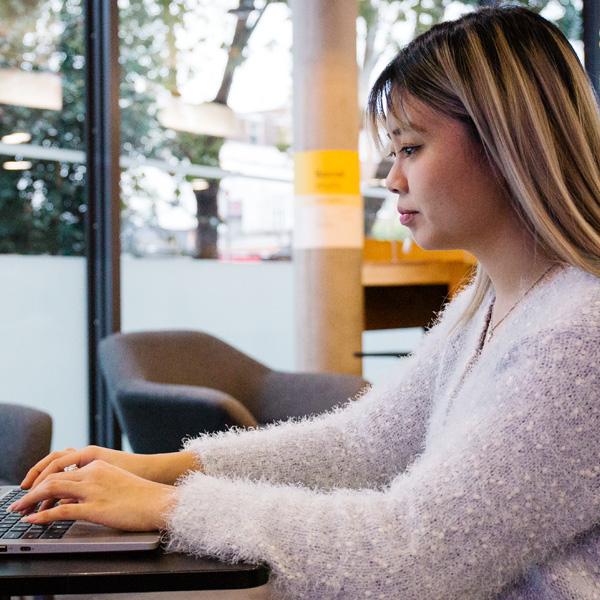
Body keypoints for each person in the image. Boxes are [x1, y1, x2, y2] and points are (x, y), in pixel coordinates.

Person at [9, 5, 600, 599]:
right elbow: (364, 447)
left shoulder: (578, 333)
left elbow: (413, 555)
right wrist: (156, 468)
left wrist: (169, 505)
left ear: (506, 144)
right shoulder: (490, 302)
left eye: (411, 147)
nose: (391, 178)